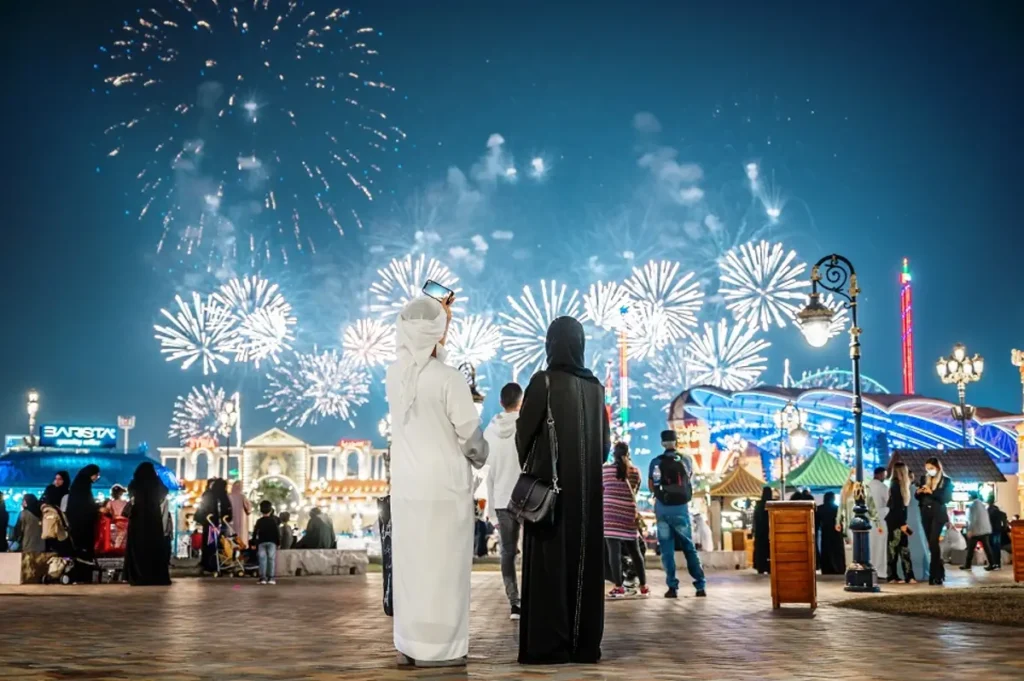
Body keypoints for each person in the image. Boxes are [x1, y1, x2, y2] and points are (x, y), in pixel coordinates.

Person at [386, 296, 488, 668]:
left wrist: (435, 318)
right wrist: (483, 455)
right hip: (445, 491)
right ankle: (443, 648)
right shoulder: (449, 379)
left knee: (412, 568)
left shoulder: (394, 375)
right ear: (438, 333)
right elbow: (472, 439)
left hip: (408, 491)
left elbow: (419, 349)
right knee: (444, 572)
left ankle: (409, 644)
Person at [516, 316, 608, 665]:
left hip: (551, 498)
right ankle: (584, 645)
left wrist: (535, 462)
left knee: (548, 566)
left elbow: (523, 435)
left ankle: (549, 646)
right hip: (588, 499)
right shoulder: (596, 387)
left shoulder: (544, 382)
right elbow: (604, 446)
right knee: (584, 565)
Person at [484, 381, 525, 620]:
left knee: (507, 553)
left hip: (501, 500)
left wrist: (490, 512)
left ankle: (515, 603)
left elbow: (486, 475)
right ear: (521, 402)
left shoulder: (489, 432)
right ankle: (533, 596)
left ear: (501, 402)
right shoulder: (526, 427)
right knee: (532, 551)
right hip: (527, 497)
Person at [649, 429, 706, 599]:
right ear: (676, 442)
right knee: (689, 547)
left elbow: (652, 484)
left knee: (667, 550)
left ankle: (672, 587)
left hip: (663, 510)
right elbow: (689, 480)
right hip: (681, 509)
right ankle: (700, 585)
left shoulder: (656, 462)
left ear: (662, 443)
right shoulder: (686, 460)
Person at [603, 441, 649, 599]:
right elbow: (635, 490)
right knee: (635, 552)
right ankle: (644, 586)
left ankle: (618, 587)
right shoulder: (634, 471)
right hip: (629, 514)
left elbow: (602, 490)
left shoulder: (605, 470)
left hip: (610, 515)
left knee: (613, 553)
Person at [124, 461, 172, 586]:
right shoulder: (156, 483)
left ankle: (138, 576)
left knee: (138, 548)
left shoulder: (134, 483)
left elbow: (131, 496)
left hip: (137, 519)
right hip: (153, 519)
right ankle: (155, 576)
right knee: (154, 547)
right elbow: (164, 491)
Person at [916, 457, 953, 585]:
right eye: (927, 469)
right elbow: (917, 497)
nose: (929, 471)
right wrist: (919, 492)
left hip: (938, 514)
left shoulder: (946, 481)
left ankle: (934, 574)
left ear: (937, 468)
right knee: (931, 544)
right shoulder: (923, 479)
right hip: (925, 513)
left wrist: (931, 492)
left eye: (931, 468)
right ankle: (939, 571)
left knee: (933, 541)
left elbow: (945, 498)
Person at [64, 465, 101, 583]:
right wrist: (98, 508)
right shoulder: (83, 487)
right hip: (82, 526)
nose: (97, 477)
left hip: (77, 524)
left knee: (79, 550)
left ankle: (80, 576)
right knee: (83, 550)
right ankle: (83, 576)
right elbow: (86, 506)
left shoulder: (79, 485)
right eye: (96, 475)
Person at [885, 463, 916, 583]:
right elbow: (897, 507)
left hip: (898, 521)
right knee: (896, 549)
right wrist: (903, 523)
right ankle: (895, 576)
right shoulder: (896, 486)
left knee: (901, 549)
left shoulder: (898, 486)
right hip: (897, 522)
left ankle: (905, 575)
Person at [195, 478, 232, 573]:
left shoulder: (209, 495)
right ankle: (219, 564)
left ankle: (210, 564)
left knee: (211, 545)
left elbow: (204, 509)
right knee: (220, 544)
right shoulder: (223, 496)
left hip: (211, 525)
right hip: (218, 525)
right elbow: (227, 510)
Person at [960, 491, 996, 571]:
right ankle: (992, 564)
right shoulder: (982, 504)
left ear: (971, 496)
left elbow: (972, 519)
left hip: (977, 531)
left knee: (971, 548)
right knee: (987, 548)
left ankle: (967, 565)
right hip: (985, 530)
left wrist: (970, 530)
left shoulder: (973, 505)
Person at [867, 467, 890, 580]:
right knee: (881, 547)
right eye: (884, 475)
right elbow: (888, 502)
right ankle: (880, 571)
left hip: (869, 521)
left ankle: (870, 568)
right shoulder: (883, 487)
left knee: (871, 546)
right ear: (880, 475)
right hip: (881, 519)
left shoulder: (867, 487)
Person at [815, 491, 846, 575]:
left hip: (825, 534)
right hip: (836, 534)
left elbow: (816, 524)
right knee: (837, 553)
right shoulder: (837, 508)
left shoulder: (819, 509)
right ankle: (838, 569)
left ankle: (826, 569)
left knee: (826, 552)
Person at [252, 500, 281, 585]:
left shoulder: (259, 521)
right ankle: (271, 578)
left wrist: (253, 543)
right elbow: (277, 532)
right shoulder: (273, 521)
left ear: (261, 510)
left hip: (261, 542)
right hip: (272, 542)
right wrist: (278, 543)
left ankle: (262, 578)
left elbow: (255, 532)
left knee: (262, 560)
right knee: (271, 559)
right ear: (271, 510)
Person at [752, 486, 772, 574]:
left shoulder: (759, 505)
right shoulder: (772, 505)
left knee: (760, 550)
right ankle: (768, 567)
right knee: (769, 550)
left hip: (760, 532)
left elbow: (755, 519)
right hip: (770, 531)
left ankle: (760, 567)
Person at [228, 481, 252, 548]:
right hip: (242, 524)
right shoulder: (243, 497)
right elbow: (249, 510)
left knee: (230, 541)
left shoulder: (228, 496)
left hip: (230, 522)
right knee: (241, 542)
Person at [987, 499, 1008, 570]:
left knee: (992, 548)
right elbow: (1005, 524)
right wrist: (1003, 528)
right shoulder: (1001, 513)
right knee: (996, 548)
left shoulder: (988, 512)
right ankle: (997, 564)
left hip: (990, 532)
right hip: (997, 532)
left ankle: (993, 564)